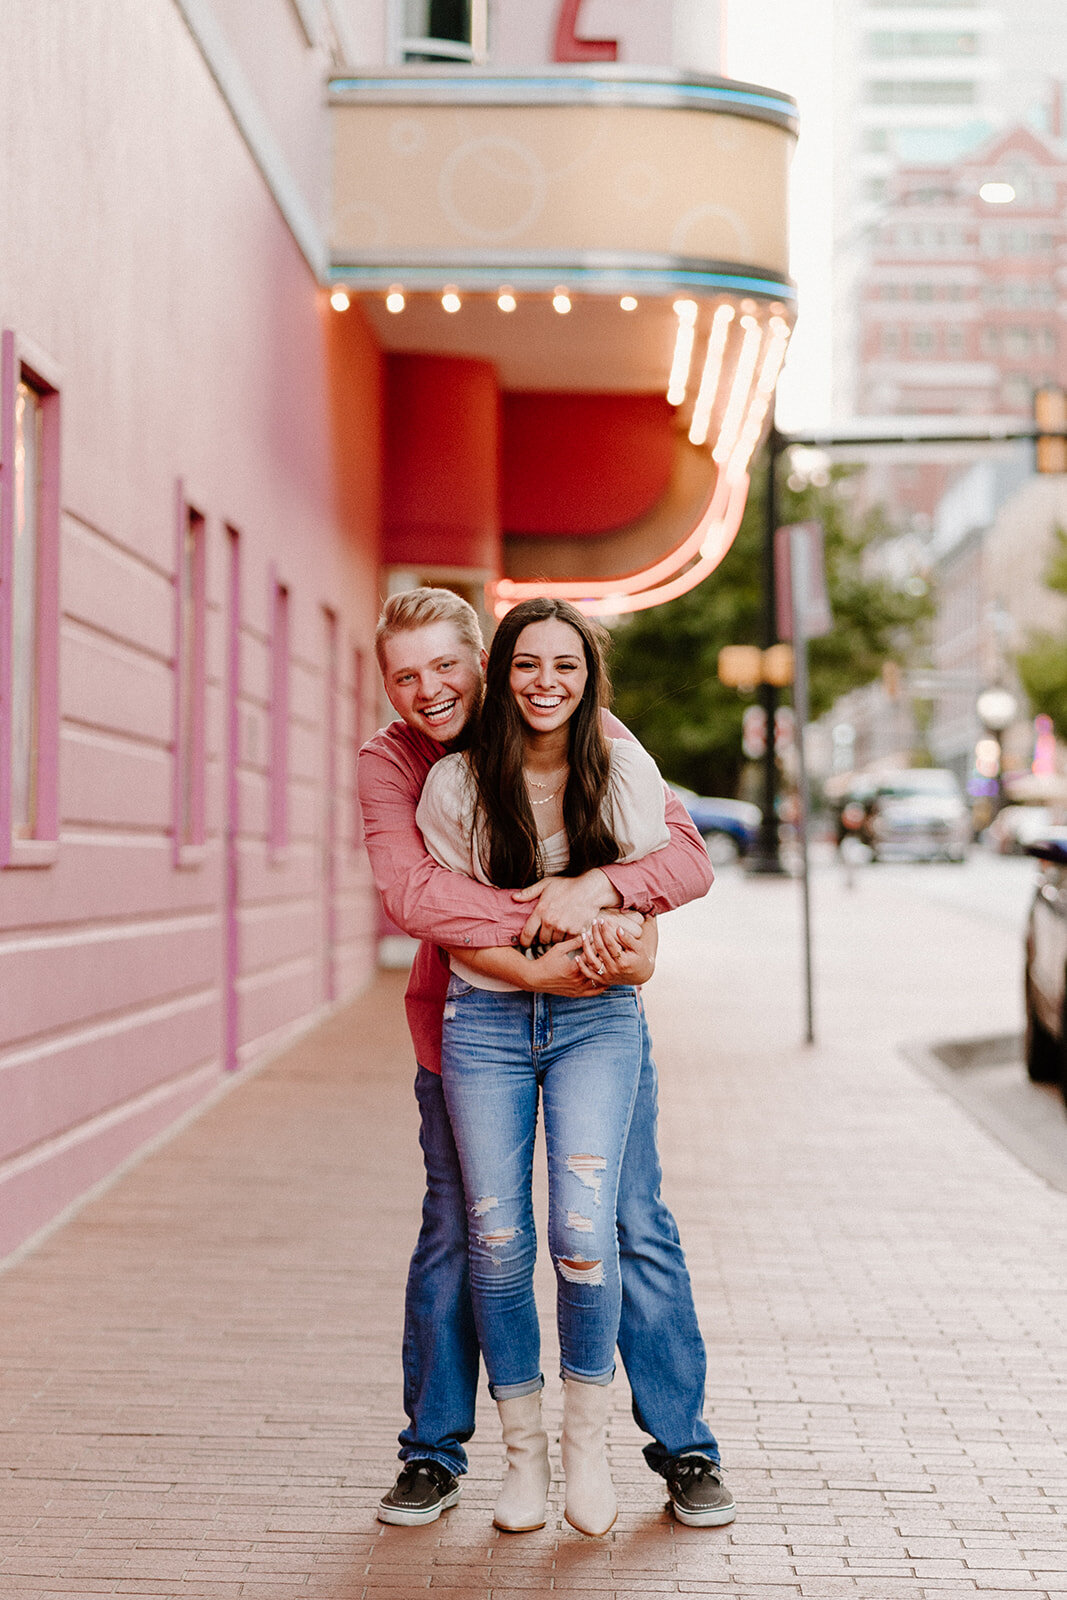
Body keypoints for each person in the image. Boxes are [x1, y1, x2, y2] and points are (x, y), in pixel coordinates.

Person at [357, 587, 734, 1531]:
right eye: (407, 676)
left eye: (447, 666)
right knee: (466, 1232)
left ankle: (682, 1446)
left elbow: (681, 853)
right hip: (462, 1020)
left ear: (481, 663)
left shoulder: (573, 716)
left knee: (623, 1220)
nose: (430, 690)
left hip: (591, 1025)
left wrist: (603, 899)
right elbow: (416, 897)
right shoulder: (398, 765)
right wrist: (558, 942)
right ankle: (435, 1454)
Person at [415, 595, 683, 1537]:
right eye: (527, 664)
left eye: (564, 666)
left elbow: (656, 894)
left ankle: (586, 1447)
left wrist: (607, 926)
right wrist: (541, 962)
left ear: (587, 676)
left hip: (597, 1026)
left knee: (582, 1230)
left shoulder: (618, 767)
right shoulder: (453, 786)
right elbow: (450, 926)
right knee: (493, 1238)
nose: (545, 683)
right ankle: (519, 1457)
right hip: (483, 1020)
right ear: (501, 672)